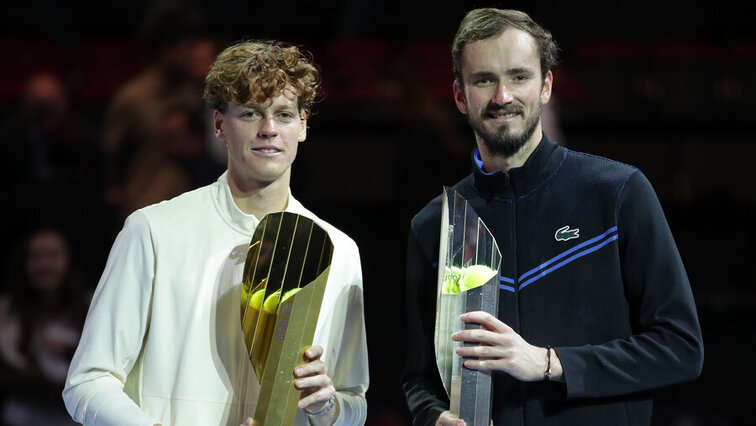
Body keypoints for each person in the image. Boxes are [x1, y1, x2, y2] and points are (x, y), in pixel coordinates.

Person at [402, 8, 703, 426]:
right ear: (459, 95)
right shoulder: (435, 225)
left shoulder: (616, 192)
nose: (502, 96)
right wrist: (434, 417)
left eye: (518, 76)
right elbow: (419, 379)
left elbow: (681, 348)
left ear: (545, 86)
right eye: (484, 79)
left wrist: (547, 363)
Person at [63, 40, 369, 426]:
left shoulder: (338, 250)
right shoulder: (153, 232)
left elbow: (353, 402)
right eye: (251, 114)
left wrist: (327, 407)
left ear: (303, 125)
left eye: (285, 114)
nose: (269, 129)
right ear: (220, 124)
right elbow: (88, 382)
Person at [0, 226, 89, 425]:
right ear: (23, 263)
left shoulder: (92, 306)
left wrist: (68, 351)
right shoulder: (6, 311)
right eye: (36, 257)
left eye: (53, 256)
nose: (45, 265)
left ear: (68, 259)